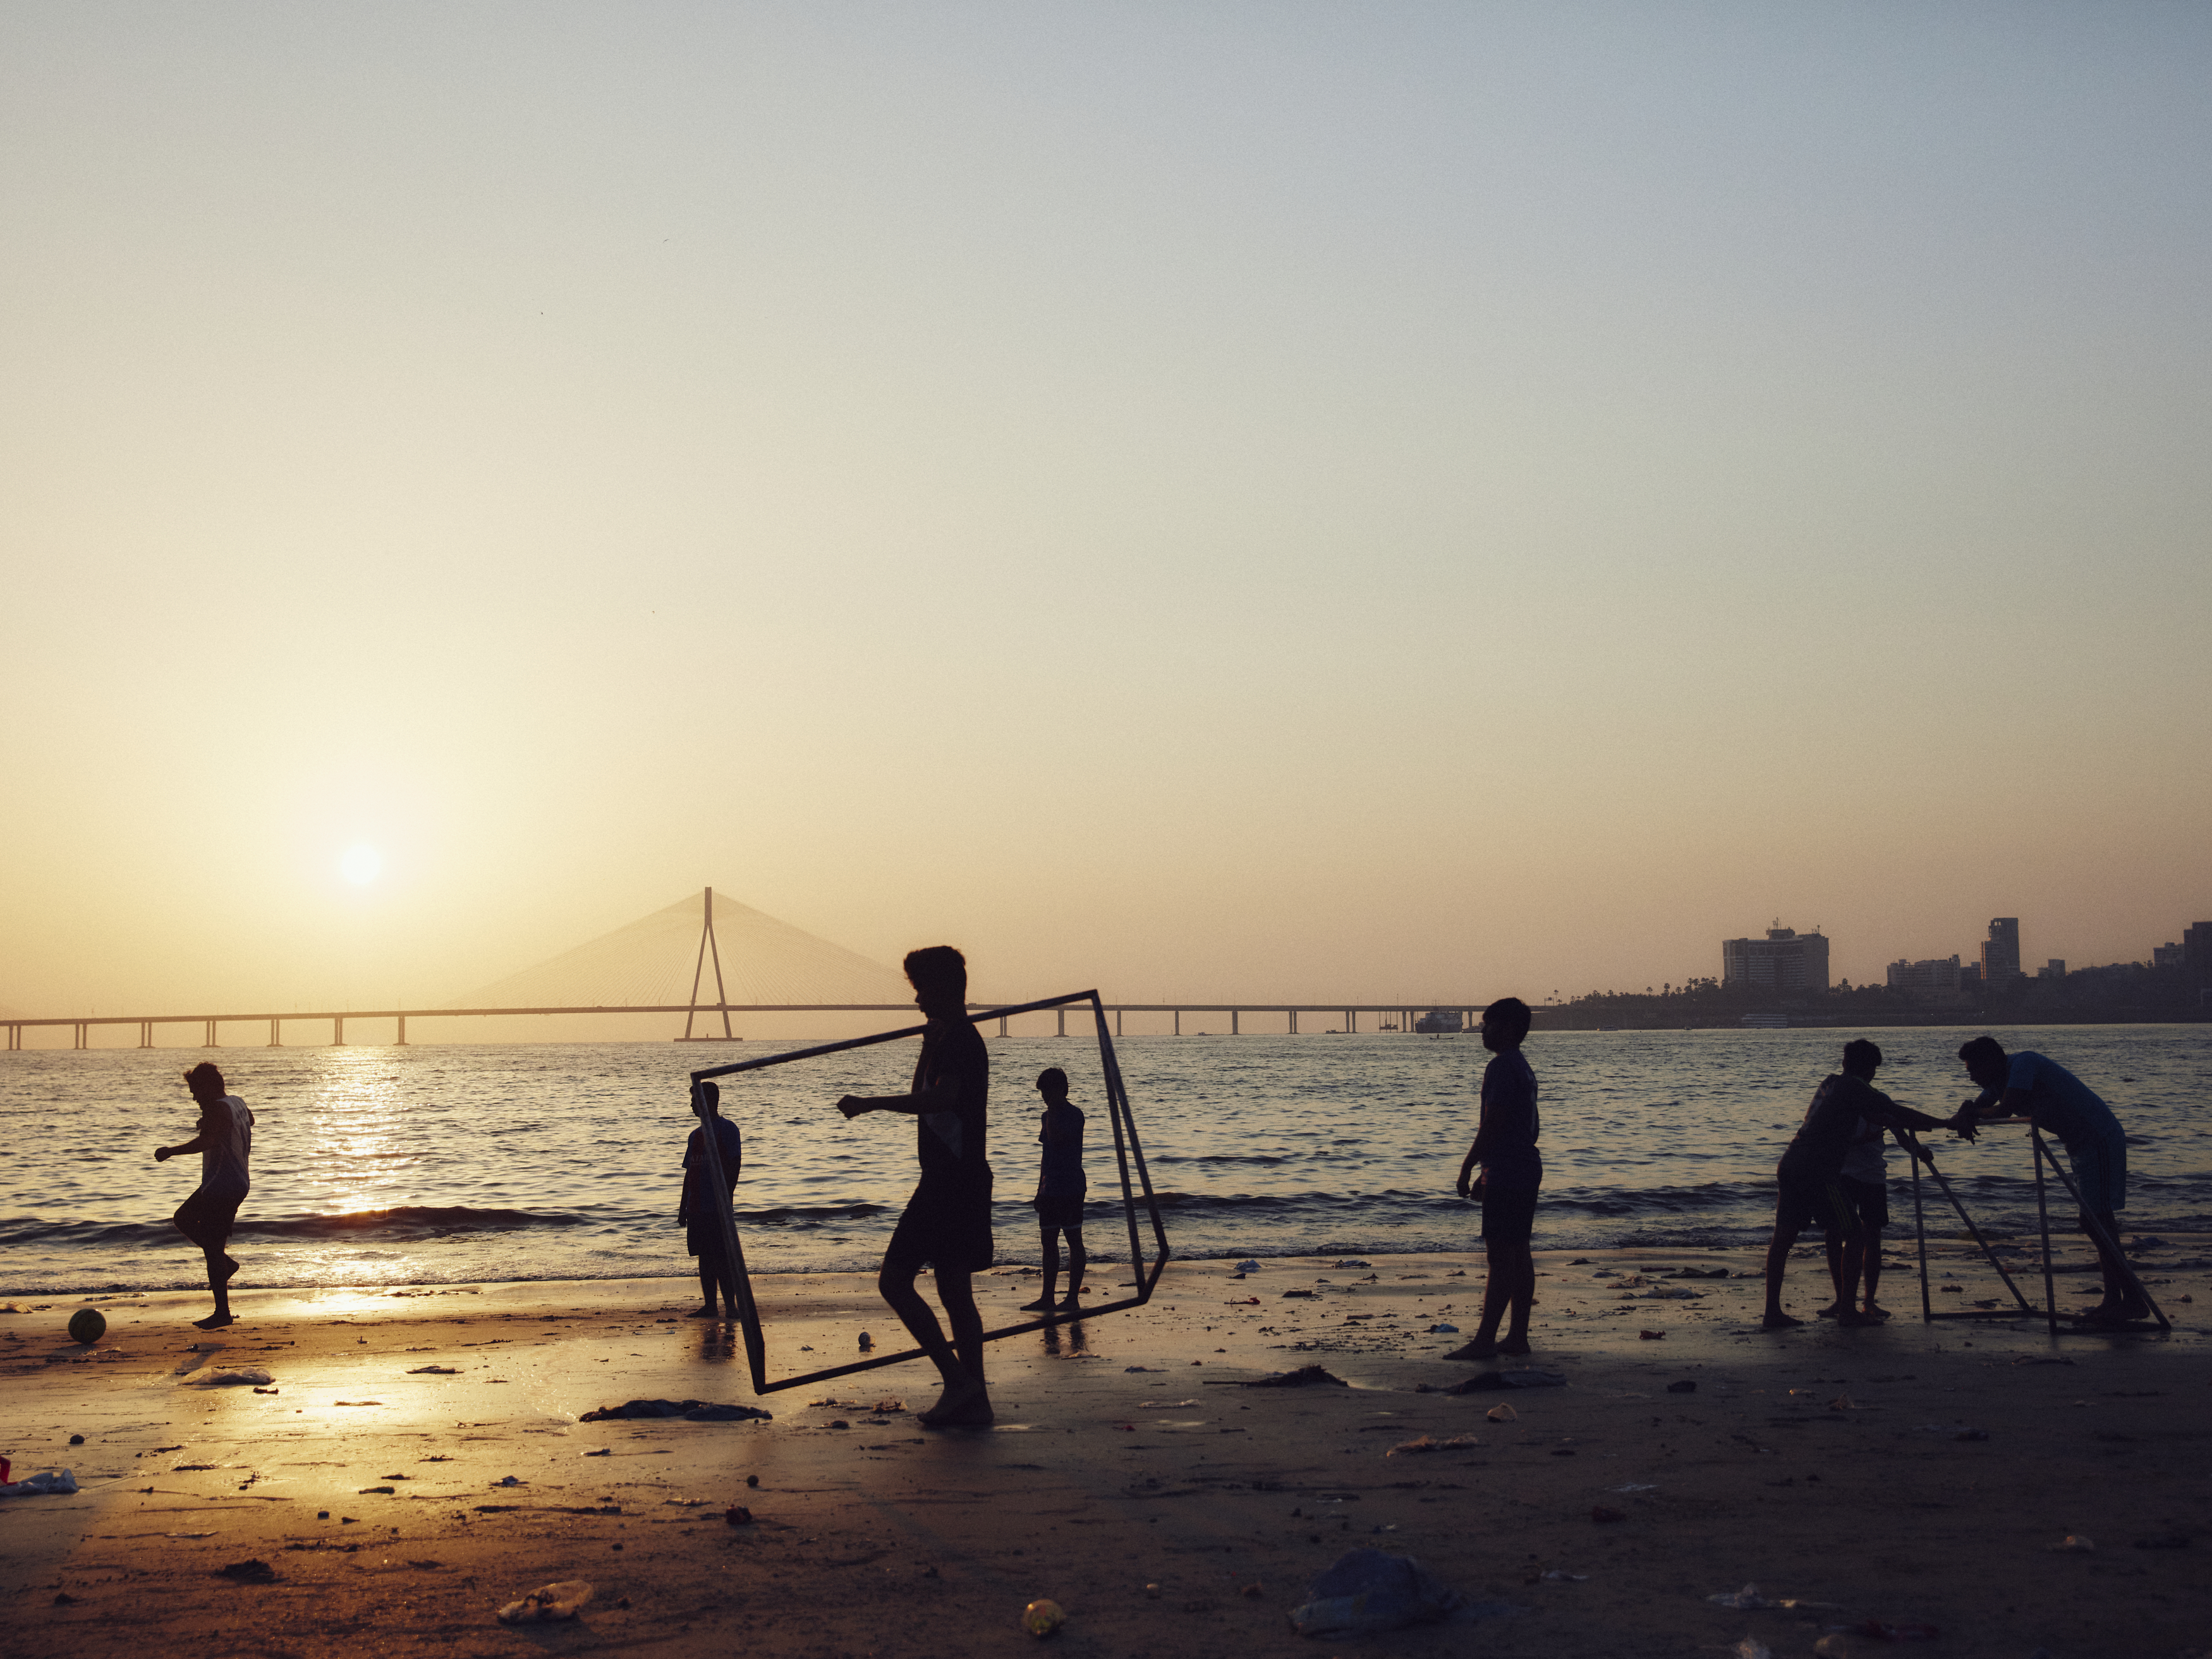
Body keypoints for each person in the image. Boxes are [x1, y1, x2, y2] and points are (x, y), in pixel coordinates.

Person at [834, 945, 994, 1426]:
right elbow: (929, 1088)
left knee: (895, 1280)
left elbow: (941, 1098)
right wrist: (927, 1043)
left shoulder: (963, 1041)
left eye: (922, 990)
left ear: (944, 988)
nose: (918, 1000)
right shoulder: (949, 1040)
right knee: (954, 1290)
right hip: (953, 1178)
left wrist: (870, 1103)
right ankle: (974, 1397)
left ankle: (960, 1382)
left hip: (951, 1181)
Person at [1763, 1040, 1962, 1330]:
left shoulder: (1830, 1084)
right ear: (1871, 1070)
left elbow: (1880, 1116)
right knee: (1855, 1235)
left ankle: (1772, 1313)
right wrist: (1947, 1123)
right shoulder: (1856, 1087)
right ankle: (1847, 1311)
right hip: (1820, 1170)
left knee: (1783, 1238)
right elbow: (1897, 1112)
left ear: (1844, 1063)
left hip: (1792, 1162)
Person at [1955, 1036, 2142, 1323]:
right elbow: (1979, 1107)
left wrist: (1971, 1113)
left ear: (1991, 1063)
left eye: (1972, 1071)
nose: (1971, 1078)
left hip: (2099, 1137)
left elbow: (2005, 1108)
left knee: (2097, 1221)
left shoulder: (2023, 1063)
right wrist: (1966, 1112)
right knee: (2095, 1221)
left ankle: (2129, 1300)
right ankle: (2118, 1299)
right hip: (2079, 1145)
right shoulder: (1998, 1081)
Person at [1445, 996, 1541, 1361]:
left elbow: (1495, 1122)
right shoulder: (1522, 1066)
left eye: (1489, 1024)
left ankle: (1486, 1340)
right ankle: (1517, 1337)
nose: (1483, 1031)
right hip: (1522, 1166)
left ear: (1509, 1028)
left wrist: (1469, 1165)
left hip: (1509, 1167)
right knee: (1518, 1252)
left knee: (1501, 1255)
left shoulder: (1502, 1067)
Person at [153, 1062, 256, 1330]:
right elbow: (250, 1120)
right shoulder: (236, 1103)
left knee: (212, 1246)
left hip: (223, 1185)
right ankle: (225, 1264)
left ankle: (222, 1312)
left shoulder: (217, 1109)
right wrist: (212, 1123)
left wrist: (170, 1151)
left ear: (209, 1087)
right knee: (183, 1218)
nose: (194, 1097)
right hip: (236, 1182)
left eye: (196, 1090)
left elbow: (206, 1142)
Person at [1019, 1067, 1086, 1315]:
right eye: (1042, 1093)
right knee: (1048, 1241)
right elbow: (1046, 1153)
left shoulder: (1074, 1114)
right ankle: (1047, 1297)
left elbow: (1058, 1139)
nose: (1044, 1097)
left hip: (1071, 1185)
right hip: (1051, 1186)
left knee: (1073, 1240)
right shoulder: (1046, 1116)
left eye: (1047, 1091)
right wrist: (1040, 1187)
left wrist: (1051, 1113)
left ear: (1061, 1089)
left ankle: (1072, 1298)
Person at [679, 1080, 745, 1320]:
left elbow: (734, 1166)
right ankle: (710, 1305)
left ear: (707, 1102)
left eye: (695, 1100)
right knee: (704, 1257)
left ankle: (731, 1307)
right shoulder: (695, 1135)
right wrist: (682, 1207)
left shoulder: (727, 1129)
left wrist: (726, 1198)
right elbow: (689, 1172)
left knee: (721, 1257)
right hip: (696, 1206)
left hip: (717, 1206)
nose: (692, 1106)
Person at [1822, 1114, 1893, 1322]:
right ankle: (1841, 1299)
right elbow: (1827, 1137)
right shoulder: (1842, 1103)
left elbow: (1898, 1127)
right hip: (1842, 1173)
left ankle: (1868, 1302)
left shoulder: (1878, 1100)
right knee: (1834, 1233)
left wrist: (1917, 1148)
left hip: (1873, 1175)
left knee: (1873, 1235)